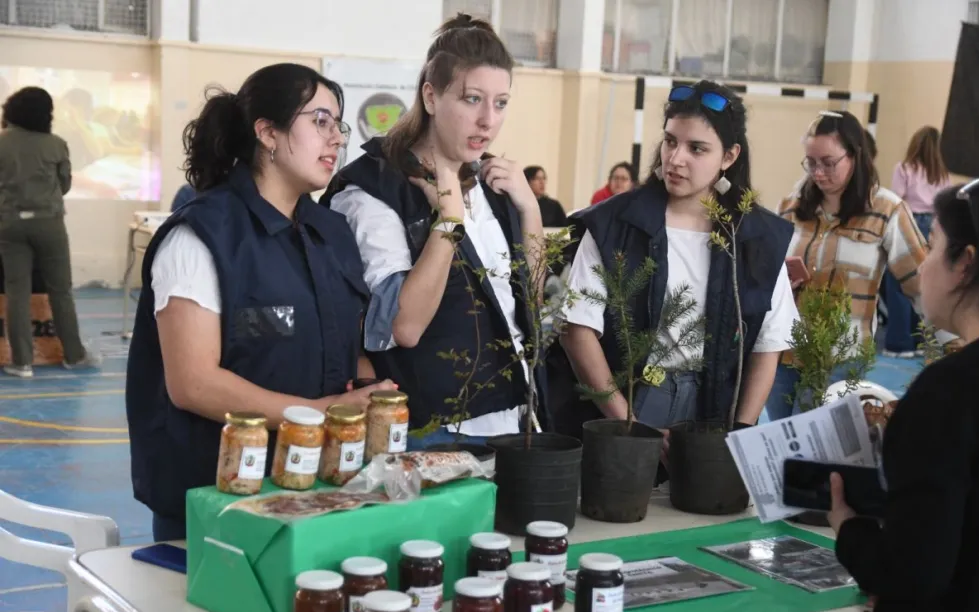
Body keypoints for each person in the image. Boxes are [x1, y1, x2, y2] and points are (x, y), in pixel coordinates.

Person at [126, 63, 394, 541]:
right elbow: (193, 384)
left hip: (317, 488)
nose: (336, 139)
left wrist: (368, 394)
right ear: (267, 133)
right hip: (218, 499)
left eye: (339, 125)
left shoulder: (330, 233)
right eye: (320, 122)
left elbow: (348, 338)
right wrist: (326, 409)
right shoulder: (203, 236)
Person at [322, 15, 548, 449]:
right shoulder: (372, 190)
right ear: (430, 95)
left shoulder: (494, 182)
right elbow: (403, 327)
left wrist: (530, 211)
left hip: (517, 416)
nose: (488, 120)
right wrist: (448, 223)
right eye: (472, 99)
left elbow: (530, 306)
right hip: (434, 431)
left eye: (501, 103)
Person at [559, 81, 798, 459]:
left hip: (714, 406)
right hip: (626, 403)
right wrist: (628, 425)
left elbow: (769, 345)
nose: (675, 158)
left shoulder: (756, 237)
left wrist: (739, 434)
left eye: (696, 148)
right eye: (670, 141)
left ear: (729, 156)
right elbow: (577, 330)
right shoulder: (614, 224)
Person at [829, 175, 979, 612]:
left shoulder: (949, 394)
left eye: (933, 247)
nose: (921, 271)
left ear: (965, 263)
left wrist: (849, 528)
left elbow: (915, 569)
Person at [766, 111, 929, 420]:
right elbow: (765, 275)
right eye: (810, 162)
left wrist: (953, 350)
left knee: (820, 452)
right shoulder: (790, 207)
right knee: (781, 443)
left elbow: (923, 284)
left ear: (855, 155)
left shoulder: (887, 210)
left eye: (828, 163)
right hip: (782, 354)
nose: (818, 172)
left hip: (841, 359)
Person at [0, 86, 98, 378]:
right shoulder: (56, 144)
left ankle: (21, 362)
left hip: (9, 224)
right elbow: (64, 185)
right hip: (49, 223)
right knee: (61, 291)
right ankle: (74, 355)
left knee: (17, 292)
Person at [883, 125, 951, 357]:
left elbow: (896, 200)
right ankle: (920, 342)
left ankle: (899, 344)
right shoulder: (942, 174)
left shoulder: (904, 168)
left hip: (909, 223)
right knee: (922, 285)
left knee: (899, 284)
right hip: (934, 225)